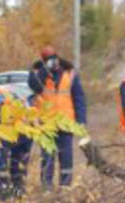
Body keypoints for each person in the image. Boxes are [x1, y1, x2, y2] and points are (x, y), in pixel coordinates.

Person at [29, 45, 87, 188]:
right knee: (47, 157)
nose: (52, 62)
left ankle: (65, 187)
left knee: (66, 157)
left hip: (66, 123)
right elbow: (34, 86)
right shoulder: (37, 73)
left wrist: (81, 121)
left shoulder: (69, 73)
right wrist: (45, 70)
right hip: (46, 124)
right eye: (48, 60)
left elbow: (79, 97)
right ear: (43, 60)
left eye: (54, 59)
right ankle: (46, 187)